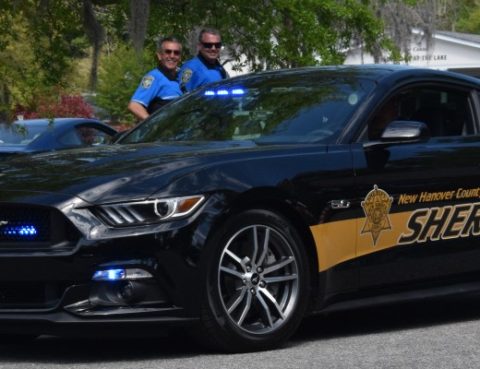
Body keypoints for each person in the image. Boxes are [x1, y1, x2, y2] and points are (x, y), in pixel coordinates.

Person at [128, 36, 183, 121]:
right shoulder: (154, 77)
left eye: (176, 53)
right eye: (168, 52)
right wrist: (154, 125)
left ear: (180, 57)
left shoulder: (182, 75)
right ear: (159, 55)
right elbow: (134, 105)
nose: (172, 56)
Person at [178, 28, 228, 92]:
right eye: (208, 45)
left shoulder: (220, 69)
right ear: (199, 46)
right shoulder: (190, 68)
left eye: (217, 45)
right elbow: (182, 96)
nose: (213, 48)